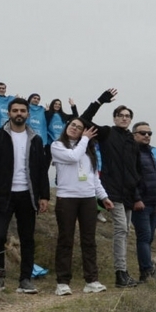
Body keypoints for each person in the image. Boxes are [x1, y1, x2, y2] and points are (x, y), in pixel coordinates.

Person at [0, 97, 50, 294]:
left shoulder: (36, 139)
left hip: (28, 195)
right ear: (9, 113)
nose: (19, 114)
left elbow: (41, 170)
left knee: (27, 238)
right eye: (15, 110)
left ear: (28, 114)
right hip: (3, 195)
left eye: (22, 111)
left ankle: (25, 279)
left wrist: (44, 196)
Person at [80, 89, 142, 288]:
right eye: (120, 115)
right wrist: (99, 101)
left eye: (127, 116)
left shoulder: (132, 141)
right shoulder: (107, 133)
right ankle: (120, 273)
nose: (124, 118)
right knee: (121, 229)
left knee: (125, 232)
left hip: (129, 194)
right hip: (112, 191)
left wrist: (137, 195)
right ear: (115, 118)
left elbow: (136, 170)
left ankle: (124, 273)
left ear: (130, 120)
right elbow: (83, 119)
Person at [51, 118, 113, 295]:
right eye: (72, 125)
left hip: (88, 199)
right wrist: (85, 138)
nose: (74, 128)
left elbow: (94, 178)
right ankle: (62, 282)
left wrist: (103, 197)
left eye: (79, 127)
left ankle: (91, 280)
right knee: (66, 239)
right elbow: (73, 157)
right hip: (66, 198)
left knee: (89, 240)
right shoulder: (57, 145)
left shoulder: (88, 151)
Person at [132, 121, 156, 282]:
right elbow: (131, 178)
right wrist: (136, 199)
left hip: (153, 203)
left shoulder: (150, 153)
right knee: (144, 237)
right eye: (143, 133)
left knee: (149, 238)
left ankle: (147, 268)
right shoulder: (132, 152)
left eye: (149, 133)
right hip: (140, 204)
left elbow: (155, 178)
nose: (146, 136)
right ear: (134, 135)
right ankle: (146, 271)